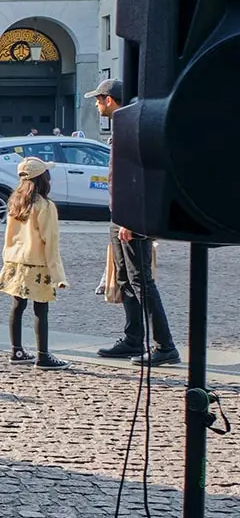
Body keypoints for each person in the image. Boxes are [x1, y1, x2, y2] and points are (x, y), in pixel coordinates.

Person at [87, 80, 179, 367]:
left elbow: (139, 178)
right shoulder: (122, 128)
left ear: (110, 100)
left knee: (141, 281)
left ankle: (165, 345)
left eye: (99, 99)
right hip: (120, 215)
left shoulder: (132, 130)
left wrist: (131, 218)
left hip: (131, 217)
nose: (96, 104)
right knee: (125, 278)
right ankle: (133, 338)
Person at [0, 157, 70, 369]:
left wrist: (6, 258)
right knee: (41, 309)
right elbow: (50, 242)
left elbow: (9, 235)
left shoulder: (16, 201)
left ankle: (16, 351)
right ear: (42, 179)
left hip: (15, 260)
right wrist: (58, 275)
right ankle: (43, 355)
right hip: (36, 262)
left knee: (17, 306)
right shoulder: (45, 206)